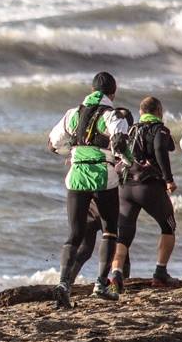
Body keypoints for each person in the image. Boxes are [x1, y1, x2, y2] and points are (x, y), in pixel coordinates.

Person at [47, 72, 131, 308]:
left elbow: (53, 144)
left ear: (92, 89)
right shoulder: (114, 115)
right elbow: (121, 143)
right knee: (109, 231)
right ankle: (101, 284)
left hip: (76, 176)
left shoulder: (72, 114)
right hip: (104, 177)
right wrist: (126, 160)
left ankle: (64, 284)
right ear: (113, 93)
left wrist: (71, 153)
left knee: (75, 234)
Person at [113, 96, 179, 289]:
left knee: (123, 233)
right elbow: (161, 148)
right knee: (169, 226)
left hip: (126, 187)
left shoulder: (131, 129)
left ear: (141, 112)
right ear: (159, 111)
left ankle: (116, 273)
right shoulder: (160, 129)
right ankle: (160, 273)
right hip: (150, 187)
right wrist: (169, 179)